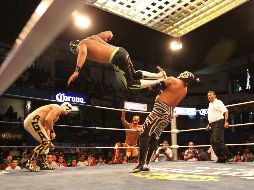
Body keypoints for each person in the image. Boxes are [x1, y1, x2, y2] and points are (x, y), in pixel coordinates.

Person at [131, 71, 199, 173]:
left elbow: (155, 88)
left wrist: (159, 80)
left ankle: (141, 164)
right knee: (154, 136)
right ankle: (147, 164)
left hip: (160, 109)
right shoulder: (185, 90)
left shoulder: (173, 80)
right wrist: (163, 83)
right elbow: (168, 92)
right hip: (169, 113)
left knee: (144, 134)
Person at [67, 31, 166, 89]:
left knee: (130, 85)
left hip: (116, 58)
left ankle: (160, 81)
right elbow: (110, 33)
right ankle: (158, 75)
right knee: (134, 74)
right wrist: (105, 42)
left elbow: (83, 53)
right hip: (121, 51)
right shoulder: (93, 37)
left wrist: (77, 71)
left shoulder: (81, 44)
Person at [24, 102, 72, 172]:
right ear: (66, 108)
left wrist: (49, 142)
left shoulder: (57, 117)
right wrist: (52, 132)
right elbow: (48, 120)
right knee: (46, 142)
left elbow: (47, 127)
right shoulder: (57, 108)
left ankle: (44, 164)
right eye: (68, 110)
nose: (68, 112)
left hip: (35, 122)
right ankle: (30, 162)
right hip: (33, 121)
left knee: (46, 144)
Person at [206, 91, 233, 163]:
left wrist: (226, 121)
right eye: (208, 95)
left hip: (219, 123)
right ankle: (221, 158)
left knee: (218, 140)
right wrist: (209, 124)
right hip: (212, 124)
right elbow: (211, 115)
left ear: (215, 96)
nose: (209, 96)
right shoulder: (210, 104)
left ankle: (229, 156)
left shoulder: (218, 102)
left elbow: (226, 111)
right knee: (213, 142)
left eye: (210, 95)